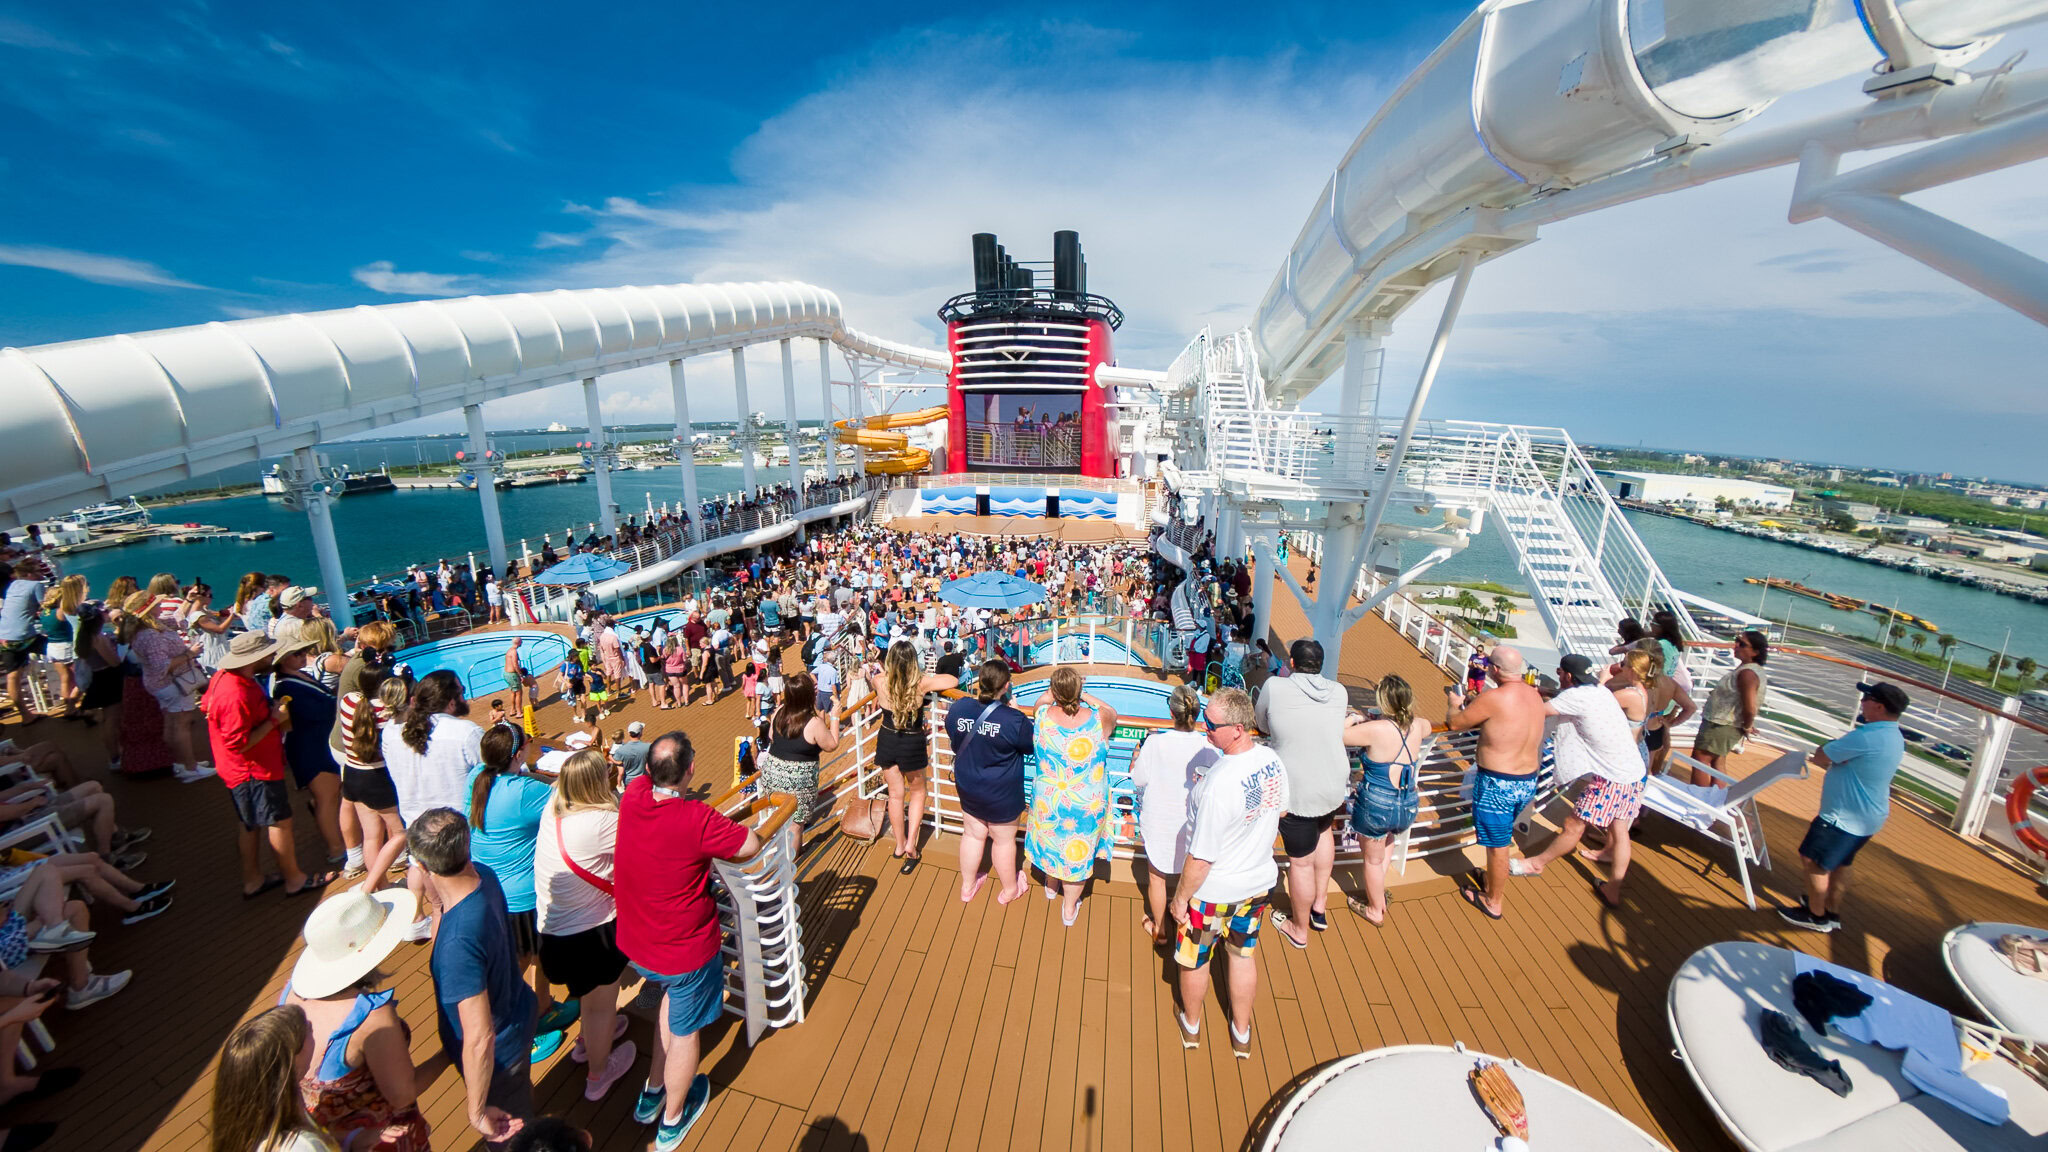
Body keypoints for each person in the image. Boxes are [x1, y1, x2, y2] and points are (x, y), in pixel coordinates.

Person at [613, 732, 762, 1150]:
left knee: (670, 1005)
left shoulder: (635, 797)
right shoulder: (695, 818)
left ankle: (652, 1094)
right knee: (685, 1033)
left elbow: (644, 774)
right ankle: (671, 1123)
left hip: (638, 942)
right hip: (683, 950)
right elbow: (748, 844)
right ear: (690, 771)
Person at [1171, 688, 1287, 1059]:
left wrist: (1180, 898)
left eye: (1211, 725)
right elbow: (1279, 812)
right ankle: (1241, 1032)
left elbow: (1201, 859)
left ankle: (1191, 1025)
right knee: (1242, 956)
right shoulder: (1271, 761)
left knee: (1196, 958)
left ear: (1238, 729)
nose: (1205, 730)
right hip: (1256, 885)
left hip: (1213, 891)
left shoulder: (1218, 785)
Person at [408, 809, 532, 1149]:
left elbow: (479, 1037)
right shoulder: (485, 877)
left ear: (422, 867)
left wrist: (477, 1111)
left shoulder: (457, 944)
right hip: (516, 1010)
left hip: (499, 1056)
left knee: (510, 1135)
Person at [281, 888, 430, 1152]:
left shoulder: (290, 994)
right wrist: (453, 1052)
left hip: (325, 1134)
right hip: (380, 1138)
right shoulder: (370, 1017)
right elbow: (402, 1094)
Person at [533, 749, 637, 1102]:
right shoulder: (602, 823)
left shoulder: (554, 806)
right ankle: (598, 1073)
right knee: (600, 1005)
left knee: (585, 996)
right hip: (593, 937)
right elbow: (642, 840)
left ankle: (589, 1040)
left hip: (551, 934)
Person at [1508, 654, 1647, 908]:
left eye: (1560, 671)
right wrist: (1546, 690)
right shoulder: (1600, 691)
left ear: (1568, 675)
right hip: (1634, 772)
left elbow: (1537, 712)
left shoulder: (1574, 697)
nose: (1559, 675)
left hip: (1611, 779)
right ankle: (1613, 889)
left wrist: (1516, 693)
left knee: (1573, 825)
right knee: (1620, 830)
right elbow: (1572, 703)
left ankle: (1535, 864)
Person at [466, 724, 568, 1060]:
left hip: (489, 887)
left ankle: (541, 1005)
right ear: (519, 753)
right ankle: (514, 1034)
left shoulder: (477, 778)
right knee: (515, 968)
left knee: (538, 953)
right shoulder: (523, 791)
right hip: (522, 897)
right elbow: (565, 801)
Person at [203, 632, 329, 898]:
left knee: (249, 823)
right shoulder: (235, 693)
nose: (273, 656)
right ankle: (294, 879)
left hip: (238, 770)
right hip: (254, 770)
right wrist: (274, 719)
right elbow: (239, 742)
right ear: (254, 658)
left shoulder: (224, 678)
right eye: (268, 653)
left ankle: (253, 879)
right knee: (279, 821)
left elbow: (209, 710)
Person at [1780, 681, 1910, 932]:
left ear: (1879, 706)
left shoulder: (1867, 736)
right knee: (1842, 863)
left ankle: (1815, 916)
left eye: (1867, 699)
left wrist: (1829, 746)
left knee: (1813, 861)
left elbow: (1822, 756)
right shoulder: (1894, 735)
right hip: (1869, 817)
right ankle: (1832, 911)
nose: (1862, 702)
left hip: (1841, 818)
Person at [1256, 639, 1348, 948]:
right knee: (1323, 834)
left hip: (1298, 790)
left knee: (1301, 863)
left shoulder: (1275, 687)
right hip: (1333, 783)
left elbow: (1261, 723)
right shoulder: (1339, 691)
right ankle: (1319, 907)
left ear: (1291, 664)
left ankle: (1299, 928)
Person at [1444, 646, 1545, 921]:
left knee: (1498, 846)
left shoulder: (1495, 698)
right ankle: (1491, 880)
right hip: (1527, 781)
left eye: (1489, 665)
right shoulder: (1533, 694)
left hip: (1498, 783)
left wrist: (1454, 704)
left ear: (1495, 670)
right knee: (1501, 839)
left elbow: (1455, 724)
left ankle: (1493, 901)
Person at [1025, 667, 1118, 927]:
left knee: (1053, 841)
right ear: (1079, 690)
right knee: (1077, 852)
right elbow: (1112, 711)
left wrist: (1054, 692)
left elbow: (1042, 701)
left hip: (1051, 799)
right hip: (1086, 802)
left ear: (1055, 691)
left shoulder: (1042, 715)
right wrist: (1086, 695)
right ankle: (1068, 909)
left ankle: (1051, 886)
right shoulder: (1099, 720)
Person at [1343, 674, 1433, 926]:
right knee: (1389, 838)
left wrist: (1353, 718)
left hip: (1376, 803)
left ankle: (1374, 909)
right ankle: (1378, 893)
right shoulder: (1419, 725)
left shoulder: (1376, 729)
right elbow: (1425, 727)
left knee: (1371, 859)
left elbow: (1340, 735)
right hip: (1407, 802)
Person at [1125, 686, 1212, 946]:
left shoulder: (1156, 743)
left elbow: (1138, 779)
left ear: (1171, 712)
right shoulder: (1207, 746)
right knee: (1195, 875)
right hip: (1193, 822)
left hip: (1160, 818)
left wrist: (1136, 755)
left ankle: (1160, 930)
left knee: (1157, 877)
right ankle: (1189, 926)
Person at [945, 659, 1035, 905]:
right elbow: (1030, 746)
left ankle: (968, 887)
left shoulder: (959, 708)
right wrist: (1017, 712)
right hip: (1002, 792)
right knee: (1003, 841)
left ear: (979, 681)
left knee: (973, 835)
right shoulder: (1014, 720)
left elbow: (952, 733)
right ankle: (1009, 890)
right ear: (1006, 686)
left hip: (968, 783)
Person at [864, 641, 957, 871]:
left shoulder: (879, 681)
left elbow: (880, 677)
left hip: (887, 739)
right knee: (917, 793)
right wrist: (921, 675)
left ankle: (899, 844)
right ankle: (911, 846)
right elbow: (952, 681)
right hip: (912, 741)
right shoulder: (921, 683)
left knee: (895, 796)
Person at [211, 1005, 340, 1152]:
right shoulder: (302, 1147)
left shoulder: (253, 1122)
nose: (310, 1026)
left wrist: (349, 1139)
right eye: (307, 1029)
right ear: (290, 1061)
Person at [272, 637, 350, 876]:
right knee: (326, 798)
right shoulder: (285, 686)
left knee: (328, 797)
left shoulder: (296, 678)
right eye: (298, 653)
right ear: (285, 660)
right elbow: (313, 712)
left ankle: (337, 842)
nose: (303, 655)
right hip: (310, 747)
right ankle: (336, 847)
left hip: (317, 743)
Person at [125, 590, 211, 783]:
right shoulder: (151, 635)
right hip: (172, 684)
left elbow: (178, 618)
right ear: (148, 610)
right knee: (181, 725)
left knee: (171, 724)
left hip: (159, 685)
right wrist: (190, 653)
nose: (160, 606)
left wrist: (189, 599)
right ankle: (191, 767)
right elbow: (162, 666)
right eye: (156, 604)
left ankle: (181, 762)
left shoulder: (145, 630)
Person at [382, 670, 485, 827]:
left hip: (416, 833)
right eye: (461, 691)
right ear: (451, 703)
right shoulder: (466, 733)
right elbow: (495, 773)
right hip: (459, 832)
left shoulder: (392, 736)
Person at [755, 672, 842, 845]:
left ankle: (780, 850)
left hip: (772, 771)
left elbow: (772, 736)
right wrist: (835, 716)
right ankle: (791, 861)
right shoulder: (814, 722)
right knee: (796, 823)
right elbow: (831, 745)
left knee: (779, 815)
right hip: (798, 779)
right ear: (809, 695)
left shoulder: (779, 711)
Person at [1690, 630, 1768, 786]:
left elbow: (1750, 707)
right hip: (1725, 724)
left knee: (1701, 759)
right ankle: (1714, 800)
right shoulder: (1747, 669)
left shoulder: (1748, 673)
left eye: (1742, 644)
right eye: (1736, 640)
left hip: (1722, 724)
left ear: (1755, 652)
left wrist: (1747, 725)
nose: (1736, 645)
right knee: (1718, 760)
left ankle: (1698, 799)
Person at [0, 562, 45, 723]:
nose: (42, 573)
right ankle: (73, 700)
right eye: (39, 570)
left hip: (5, 637)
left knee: (13, 677)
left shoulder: (11, 586)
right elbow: (46, 609)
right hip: (25, 635)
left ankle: (25, 715)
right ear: (30, 573)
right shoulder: (36, 585)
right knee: (63, 652)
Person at [610, 721, 651, 789]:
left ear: (629, 733)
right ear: (640, 733)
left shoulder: (620, 751)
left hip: (629, 782)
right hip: (644, 780)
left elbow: (613, 759)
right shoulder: (648, 747)